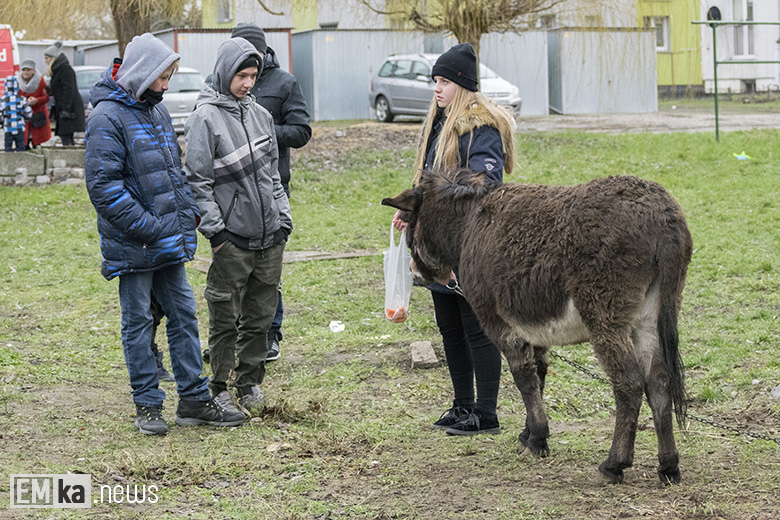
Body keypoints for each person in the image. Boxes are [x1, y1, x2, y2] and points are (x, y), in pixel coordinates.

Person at [85, 33, 246, 436]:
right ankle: (148, 404)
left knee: (184, 316)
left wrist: (187, 211)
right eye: (163, 76)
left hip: (168, 240)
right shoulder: (106, 117)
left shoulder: (154, 112)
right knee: (138, 322)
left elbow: (173, 173)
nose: (167, 85)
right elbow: (103, 187)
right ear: (144, 72)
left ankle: (193, 399)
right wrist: (150, 227)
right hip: (135, 243)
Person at [392, 43, 516, 436]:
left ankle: (487, 412)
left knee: (477, 326)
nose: (436, 89)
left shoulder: (481, 128)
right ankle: (463, 405)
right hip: (441, 244)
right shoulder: (439, 126)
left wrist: (436, 207)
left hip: (471, 245)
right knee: (449, 326)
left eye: (444, 82)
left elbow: (486, 185)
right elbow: (428, 181)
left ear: (462, 85)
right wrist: (412, 207)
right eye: (434, 81)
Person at [184, 37, 292, 416]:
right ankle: (219, 387)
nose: (248, 83)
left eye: (253, 76)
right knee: (225, 316)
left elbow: (274, 177)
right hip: (232, 241)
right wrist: (217, 232)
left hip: (270, 238)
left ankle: (249, 383)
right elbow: (197, 182)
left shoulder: (262, 116)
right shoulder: (204, 118)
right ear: (225, 72)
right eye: (241, 75)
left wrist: (283, 219)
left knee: (261, 318)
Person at [231, 22, 312, 362]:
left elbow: (301, 131)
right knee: (233, 268)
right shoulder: (223, 83)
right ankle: (234, 335)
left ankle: (270, 333)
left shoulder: (284, 83)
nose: (247, 76)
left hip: (271, 187)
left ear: (264, 53)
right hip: (233, 191)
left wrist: (262, 131)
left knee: (268, 267)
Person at [44, 42, 85, 146]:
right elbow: (59, 89)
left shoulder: (65, 69)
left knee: (66, 135)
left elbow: (69, 89)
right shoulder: (57, 70)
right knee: (65, 135)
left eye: (47, 58)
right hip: (63, 108)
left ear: (53, 58)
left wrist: (66, 110)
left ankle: (70, 158)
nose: (45, 61)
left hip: (69, 108)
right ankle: (70, 157)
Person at [16, 60, 51, 149]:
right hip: (23, 116)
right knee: (24, 141)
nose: (25, 72)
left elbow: (46, 97)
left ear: (33, 71)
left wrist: (37, 100)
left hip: (37, 114)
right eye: (24, 70)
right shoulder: (17, 82)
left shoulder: (41, 81)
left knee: (37, 140)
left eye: (28, 70)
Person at [1, 75, 32, 152]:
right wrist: (25, 119)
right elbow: (29, 112)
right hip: (19, 127)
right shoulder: (22, 99)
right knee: (21, 147)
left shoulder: (3, 100)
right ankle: (21, 162)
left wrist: (2, 121)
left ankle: (8, 162)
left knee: (8, 149)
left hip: (8, 128)